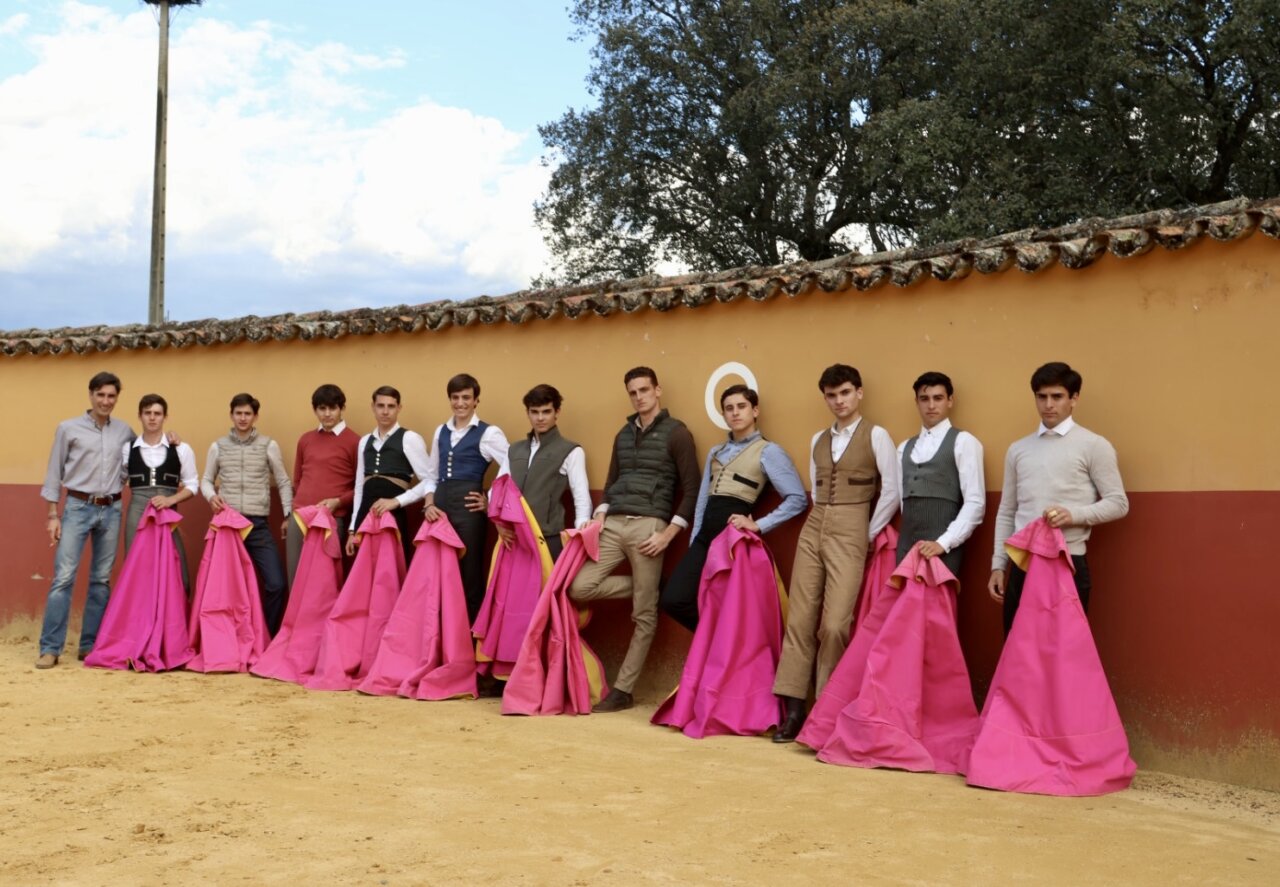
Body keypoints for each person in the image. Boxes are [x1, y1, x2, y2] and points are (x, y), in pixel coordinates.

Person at [772, 364, 899, 742]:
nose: (839, 401)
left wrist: (868, 533)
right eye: (831, 395)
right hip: (815, 525)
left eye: (845, 392)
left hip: (853, 525)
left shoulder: (877, 435)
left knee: (835, 624)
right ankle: (794, 708)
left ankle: (825, 710)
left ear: (859, 393)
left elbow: (892, 489)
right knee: (799, 619)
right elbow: (814, 487)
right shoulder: (818, 439)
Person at [569, 366, 701, 712]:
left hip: (650, 527)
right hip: (613, 524)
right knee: (578, 587)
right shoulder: (623, 434)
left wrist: (669, 534)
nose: (639, 397)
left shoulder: (677, 433)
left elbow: (692, 488)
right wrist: (601, 513)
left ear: (658, 390)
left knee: (644, 614)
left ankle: (623, 689)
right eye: (633, 392)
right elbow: (612, 481)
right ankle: (651, 586)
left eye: (644, 390)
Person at [987, 361, 1129, 633]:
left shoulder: (1094, 445)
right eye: (1042, 397)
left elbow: (1118, 503)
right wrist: (997, 565)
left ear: (1074, 399)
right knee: (1019, 650)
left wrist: (1074, 514)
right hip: (1022, 563)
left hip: (1068, 562)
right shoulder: (1018, 449)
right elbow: (1007, 510)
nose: (1048, 404)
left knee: (1064, 653)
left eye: (1057, 396)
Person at [659, 384, 806, 632]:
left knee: (732, 607)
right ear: (724, 415)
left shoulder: (769, 451)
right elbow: (704, 499)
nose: (735, 413)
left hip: (732, 541)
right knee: (674, 599)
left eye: (741, 406)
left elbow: (797, 498)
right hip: (705, 537)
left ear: (755, 410)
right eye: (729, 408)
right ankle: (719, 643)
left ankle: (729, 650)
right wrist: (695, 539)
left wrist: (759, 525)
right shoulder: (716, 452)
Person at [36, 372, 137, 668]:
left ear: (117, 398)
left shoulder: (124, 431)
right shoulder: (68, 428)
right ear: (91, 395)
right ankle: (50, 648)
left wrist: (171, 440)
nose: (106, 401)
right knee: (63, 578)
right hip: (77, 507)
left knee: (101, 580)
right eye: (101, 395)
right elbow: (54, 471)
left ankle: (90, 645)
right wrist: (52, 515)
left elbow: (142, 455)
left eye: (111, 396)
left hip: (112, 508)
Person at [417, 374, 509, 622]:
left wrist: (490, 500)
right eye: (455, 397)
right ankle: (443, 639)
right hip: (440, 509)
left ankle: (471, 642)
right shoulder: (441, 431)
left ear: (476, 400)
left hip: (469, 512)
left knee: (469, 574)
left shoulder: (489, 433)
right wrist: (428, 503)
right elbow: (431, 474)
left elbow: (511, 468)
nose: (460, 403)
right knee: (438, 574)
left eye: (466, 397)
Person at [201, 392, 294, 636]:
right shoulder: (218, 446)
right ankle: (228, 639)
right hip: (228, 526)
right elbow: (206, 481)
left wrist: (287, 514)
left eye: (247, 414)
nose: (243, 418)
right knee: (223, 588)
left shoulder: (268, 445)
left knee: (276, 583)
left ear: (255, 416)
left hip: (257, 524)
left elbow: (283, 481)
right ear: (231, 415)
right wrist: (211, 497)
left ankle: (265, 634)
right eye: (238, 413)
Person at [895, 371, 985, 574]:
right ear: (916, 402)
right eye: (924, 399)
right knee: (905, 605)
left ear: (950, 401)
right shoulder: (903, 448)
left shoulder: (964, 442)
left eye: (938, 398)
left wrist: (944, 543)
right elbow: (903, 502)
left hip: (944, 548)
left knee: (937, 605)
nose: (931, 405)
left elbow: (975, 502)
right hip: (906, 547)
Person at [495, 384, 591, 562]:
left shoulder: (571, 450)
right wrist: (499, 524)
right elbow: (497, 490)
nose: (540, 418)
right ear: (528, 413)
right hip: (513, 538)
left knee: (546, 590)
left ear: (557, 412)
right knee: (515, 591)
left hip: (548, 537)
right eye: (535, 412)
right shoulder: (514, 450)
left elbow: (581, 497)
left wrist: (580, 535)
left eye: (546, 412)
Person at [347, 386, 431, 567]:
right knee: (364, 572)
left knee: (390, 571)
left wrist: (396, 501)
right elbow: (360, 487)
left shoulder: (409, 438)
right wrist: (353, 527)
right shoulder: (364, 441)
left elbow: (430, 480)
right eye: (381, 406)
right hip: (365, 517)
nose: (385, 412)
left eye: (391, 406)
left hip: (392, 515)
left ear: (399, 408)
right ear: (373, 407)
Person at [123, 393, 199, 591]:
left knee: (176, 566)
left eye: (157, 413)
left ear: (165, 417)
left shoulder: (182, 449)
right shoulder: (127, 449)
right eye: (147, 413)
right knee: (135, 567)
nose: (152, 417)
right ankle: (137, 619)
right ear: (139, 416)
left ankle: (174, 618)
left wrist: (170, 499)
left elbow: (192, 484)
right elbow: (118, 479)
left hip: (168, 513)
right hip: (137, 513)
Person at [285, 384, 359, 585]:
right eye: (322, 409)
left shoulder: (355, 442)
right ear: (315, 410)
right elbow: (298, 479)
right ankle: (295, 618)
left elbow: (360, 486)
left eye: (332, 408)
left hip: (332, 518)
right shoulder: (306, 439)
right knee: (296, 576)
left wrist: (339, 502)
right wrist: (295, 509)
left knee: (325, 581)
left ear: (342, 408)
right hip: (300, 516)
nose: (327, 414)